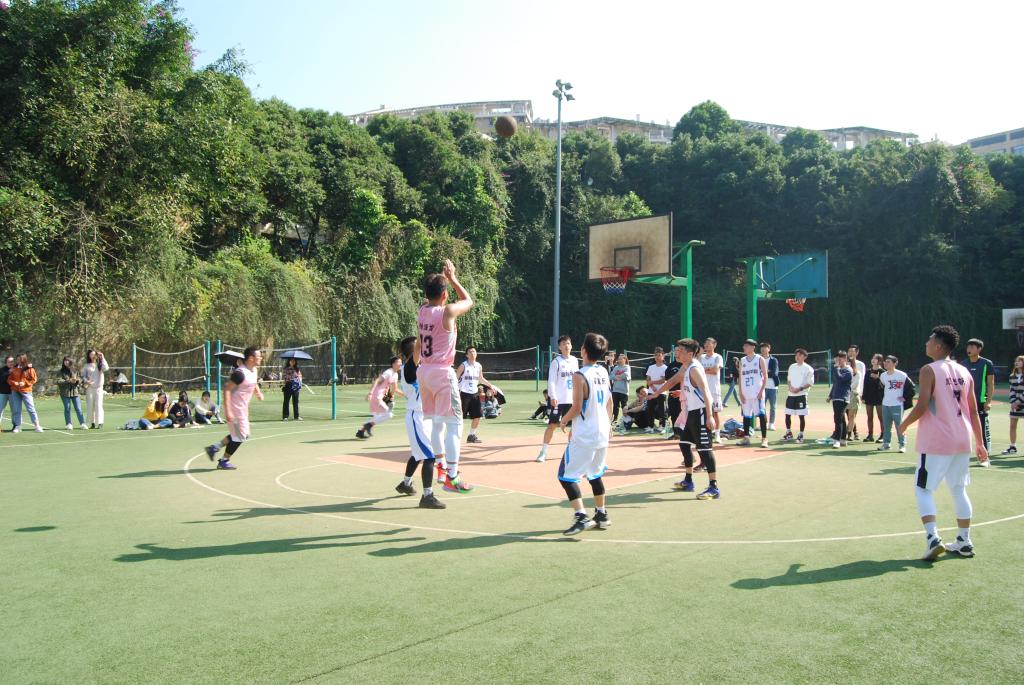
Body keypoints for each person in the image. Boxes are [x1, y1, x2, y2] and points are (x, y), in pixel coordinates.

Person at [899, 325, 989, 560]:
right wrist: (980, 443)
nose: (926, 343)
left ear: (938, 346)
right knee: (959, 489)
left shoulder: (929, 369)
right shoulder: (964, 371)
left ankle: (932, 539)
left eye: (930, 340)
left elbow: (922, 405)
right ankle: (964, 541)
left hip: (937, 439)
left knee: (922, 489)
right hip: (962, 438)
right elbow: (973, 411)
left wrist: (903, 424)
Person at [416, 259, 475, 493]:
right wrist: (453, 278)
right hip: (442, 372)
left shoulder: (422, 310)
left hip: (424, 372)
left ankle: (441, 467)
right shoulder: (448, 311)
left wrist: (444, 281)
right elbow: (468, 301)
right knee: (455, 424)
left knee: (437, 423)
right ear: (444, 295)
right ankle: (452, 475)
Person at [557, 332, 613, 535]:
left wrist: (564, 420)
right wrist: (609, 424)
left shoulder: (579, 375)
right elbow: (609, 402)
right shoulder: (603, 372)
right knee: (594, 474)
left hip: (586, 434)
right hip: (602, 432)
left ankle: (581, 516)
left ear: (584, 351)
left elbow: (577, 407)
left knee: (566, 476)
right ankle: (601, 514)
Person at [659, 339, 720, 500]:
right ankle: (688, 481)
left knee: (705, 449)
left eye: (680, 350)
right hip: (692, 412)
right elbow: (675, 381)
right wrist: (657, 393)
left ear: (690, 354)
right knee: (684, 444)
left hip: (701, 412)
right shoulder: (686, 367)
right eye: (677, 349)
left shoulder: (694, 369)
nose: (677, 352)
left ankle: (713, 487)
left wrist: (709, 416)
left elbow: (706, 392)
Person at [393, 336, 445, 509]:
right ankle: (427, 496)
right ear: (414, 350)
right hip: (417, 417)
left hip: (424, 416)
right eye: (418, 346)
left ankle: (405, 484)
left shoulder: (420, 368)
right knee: (429, 456)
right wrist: (425, 329)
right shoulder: (409, 367)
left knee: (418, 454)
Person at [205, 346, 264, 469]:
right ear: (251, 358)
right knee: (241, 436)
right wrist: (228, 412)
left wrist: (258, 392)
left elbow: (253, 382)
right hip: (235, 410)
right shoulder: (240, 374)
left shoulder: (254, 370)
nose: (261, 358)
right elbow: (227, 390)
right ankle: (224, 460)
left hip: (243, 409)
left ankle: (214, 448)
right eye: (259, 356)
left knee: (239, 435)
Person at [537, 335, 578, 462]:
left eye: (568, 343)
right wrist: (553, 396)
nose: (566, 346)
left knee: (575, 426)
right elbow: (551, 381)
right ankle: (543, 452)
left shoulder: (575, 360)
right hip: (559, 400)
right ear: (560, 347)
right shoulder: (556, 362)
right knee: (552, 425)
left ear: (571, 345)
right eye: (564, 344)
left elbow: (578, 380)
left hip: (572, 400)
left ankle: (571, 452)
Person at [960, 338, 995, 454]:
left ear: (979, 349)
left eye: (972, 347)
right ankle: (962, 451)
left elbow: (990, 384)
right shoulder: (963, 364)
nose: (969, 349)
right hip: (965, 402)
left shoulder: (987, 363)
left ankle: (985, 453)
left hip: (980, 402)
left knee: (982, 428)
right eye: (968, 347)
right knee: (962, 427)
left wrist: (988, 401)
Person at [356, 357, 403, 439]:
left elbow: (395, 389)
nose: (401, 364)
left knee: (378, 416)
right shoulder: (388, 372)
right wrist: (370, 393)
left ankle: (361, 431)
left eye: (401, 362)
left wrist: (406, 395)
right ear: (393, 364)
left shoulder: (395, 374)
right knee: (388, 414)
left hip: (380, 397)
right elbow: (377, 380)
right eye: (398, 362)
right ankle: (368, 425)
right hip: (376, 396)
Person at [457, 345, 494, 444]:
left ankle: (471, 436)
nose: (473, 353)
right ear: (466, 355)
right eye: (470, 352)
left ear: (476, 354)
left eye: (474, 351)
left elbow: (481, 379)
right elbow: (455, 379)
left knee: (477, 415)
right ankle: (455, 436)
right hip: (463, 393)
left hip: (474, 394)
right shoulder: (463, 365)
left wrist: (491, 386)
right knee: (459, 417)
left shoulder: (478, 365)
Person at [738, 339, 769, 448]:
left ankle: (764, 438)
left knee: (761, 415)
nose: (744, 348)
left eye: (746, 346)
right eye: (744, 346)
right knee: (746, 416)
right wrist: (740, 392)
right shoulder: (742, 360)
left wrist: (761, 391)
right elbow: (740, 377)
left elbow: (765, 376)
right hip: (746, 393)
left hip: (757, 393)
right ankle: (746, 438)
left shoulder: (759, 359)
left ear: (752, 347)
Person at [782, 348, 814, 443]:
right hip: (791, 395)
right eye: (796, 355)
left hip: (801, 395)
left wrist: (799, 389)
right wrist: (790, 387)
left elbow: (810, 383)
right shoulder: (792, 366)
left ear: (805, 357)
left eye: (800, 355)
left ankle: (801, 435)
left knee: (801, 416)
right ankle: (789, 433)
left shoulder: (808, 368)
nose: (797, 357)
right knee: (787, 414)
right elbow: (789, 379)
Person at [878, 355, 908, 453]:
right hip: (886, 404)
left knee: (899, 425)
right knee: (886, 425)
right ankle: (886, 443)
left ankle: (902, 445)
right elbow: (882, 387)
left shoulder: (902, 375)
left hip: (897, 405)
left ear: (895, 363)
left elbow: (910, 387)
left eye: (888, 362)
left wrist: (905, 397)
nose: (885, 363)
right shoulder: (883, 375)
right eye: (885, 361)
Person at [8, 353, 43, 433]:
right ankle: (18, 426)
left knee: (31, 409)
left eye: (20, 359)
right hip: (15, 391)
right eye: (17, 359)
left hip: (26, 391)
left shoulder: (30, 369)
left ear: (24, 359)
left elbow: (34, 379)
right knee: (16, 410)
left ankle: (37, 426)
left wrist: (25, 383)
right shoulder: (14, 369)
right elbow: (9, 380)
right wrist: (14, 383)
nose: (18, 361)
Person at [698, 338, 724, 443]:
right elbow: (697, 370)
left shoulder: (718, 357)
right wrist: (708, 370)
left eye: (709, 344)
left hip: (714, 389)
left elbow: (715, 370)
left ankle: (717, 434)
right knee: (702, 412)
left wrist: (704, 370)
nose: (707, 346)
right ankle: (705, 433)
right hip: (702, 389)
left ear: (714, 345)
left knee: (715, 412)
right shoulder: (701, 357)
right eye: (705, 344)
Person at [826, 351, 852, 448]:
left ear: (845, 359)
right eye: (837, 360)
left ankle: (837, 440)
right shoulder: (839, 370)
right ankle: (843, 439)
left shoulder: (848, 371)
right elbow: (835, 383)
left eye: (840, 359)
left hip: (843, 398)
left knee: (837, 419)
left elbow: (840, 378)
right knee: (841, 419)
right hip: (836, 397)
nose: (838, 362)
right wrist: (830, 396)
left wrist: (836, 368)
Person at [81, 349, 109, 430]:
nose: (93, 356)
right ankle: (92, 423)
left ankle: (100, 423)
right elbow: (83, 376)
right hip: (89, 388)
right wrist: (87, 381)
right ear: (89, 356)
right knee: (90, 406)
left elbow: (106, 368)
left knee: (98, 405)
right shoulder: (86, 365)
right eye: (91, 354)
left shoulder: (100, 364)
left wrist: (102, 357)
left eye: (94, 354)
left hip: (98, 388)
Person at [57, 357, 88, 430]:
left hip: (75, 392)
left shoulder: (75, 370)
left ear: (71, 361)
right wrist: (68, 381)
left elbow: (80, 379)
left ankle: (82, 423)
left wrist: (77, 380)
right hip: (65, 393)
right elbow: (58, 381)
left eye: (67, 361)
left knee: (78, 408)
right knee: (67, 408)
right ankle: (69, 424)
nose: (66, 362)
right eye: (65, 361)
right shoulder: (61, 371)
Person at [1002, 355, 1024, 456]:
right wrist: (1013, 402)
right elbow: (1012, 390)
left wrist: (1018, 402)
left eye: (1019, 361)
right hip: (1015, 405)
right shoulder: (1012, 376)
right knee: (1012, 425)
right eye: (1016, 361)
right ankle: (1012, 447)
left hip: (1020, 403)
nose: (1016, 362)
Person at [644, 347, 669, 433]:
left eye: (659, 355)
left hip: (661, 392)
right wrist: (652, 386)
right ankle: (650, 426)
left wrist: (652, 383)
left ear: (663, 356)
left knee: (662, 410)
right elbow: (648, 379)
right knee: (650, 409)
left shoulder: (665, 368)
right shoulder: (651, 367)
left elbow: (663, 380)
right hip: (651, 392)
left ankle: (663, 426)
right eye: (656, 355)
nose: (657, 357)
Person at [662, 344, 684, 438]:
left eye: (678, 350)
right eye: (675, 350)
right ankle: (676, 433)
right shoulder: (671, 365)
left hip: (683, 393)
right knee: (673, 413)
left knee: (683, 413)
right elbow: (667, 379)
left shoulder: (685, 364)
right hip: (672, 393)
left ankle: (684, 433)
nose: (676, 352)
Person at [862, 354, 885, 442]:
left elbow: (885, 385)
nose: (873, 360)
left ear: (880, 361)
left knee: (881, 417)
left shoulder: (883, 372)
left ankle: (883, 435)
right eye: (873, 358)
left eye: (876, 359)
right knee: (869, 417)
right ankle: (870, 435)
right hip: (869, 397)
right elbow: (865, 384)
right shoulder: (868, 371)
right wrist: (863, 396)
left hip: (879, 397)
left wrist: (878, 378)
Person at [847, 345, 866, 438]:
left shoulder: (860, 365)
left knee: (852, 414)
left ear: (857, 353)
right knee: (848, 414)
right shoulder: (845, 363)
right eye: (849, 351)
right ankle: (853, 431)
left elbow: (861, 380)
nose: (850, 353)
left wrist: (861, 393)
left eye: (852, 351)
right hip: (845, 393)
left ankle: (853, 432)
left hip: (855, 393)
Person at [760, 342, 780, 430]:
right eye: (762, 348)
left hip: (772, 387)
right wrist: (766, 371)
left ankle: (771, 423)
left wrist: (763, 372)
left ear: (769, 349)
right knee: (762, 406)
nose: (763, 349)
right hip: (761, 387)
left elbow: (774, 373)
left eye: (765, 347)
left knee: (773, 406)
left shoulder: (773, 360)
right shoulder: (758, 359)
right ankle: (763, 423)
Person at [610, 354, 631, 426]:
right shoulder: (616, 368)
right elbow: (611, 376)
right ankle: (615, 419)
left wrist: (617, 376)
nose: (620, 360)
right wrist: (617, 377)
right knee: (615, 406)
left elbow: (626, 375)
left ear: (625, 360)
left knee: (624, 406)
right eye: (619, 359)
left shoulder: (627, 367)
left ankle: (625, 420)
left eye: (621, 359)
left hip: (624, 391)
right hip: (615, 390)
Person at [846, 358, 862, 441]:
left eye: (849, 363)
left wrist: (845, 388)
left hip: (853, 395)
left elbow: (855, 384)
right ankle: (842, 432)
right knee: (842, 416)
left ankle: (850, 434)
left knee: (851, 416)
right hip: (844, 396)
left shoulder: (857, 373)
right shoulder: (842, 372)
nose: (847, 364)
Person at [0, 355, 14, 432]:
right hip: (3, 393)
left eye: (12, 361)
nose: (11, 363)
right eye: (9, 362)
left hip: (13, 393)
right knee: (0, 410)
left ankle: (16, 426)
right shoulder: (2, 370)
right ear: (6, 363)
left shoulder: (16, 369)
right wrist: (9, 373)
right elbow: (2, 380)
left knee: (14, 410)